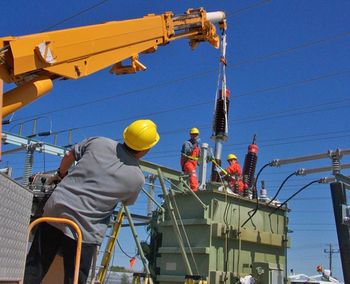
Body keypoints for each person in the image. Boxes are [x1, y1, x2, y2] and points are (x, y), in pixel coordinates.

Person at [24, 119, 160, 284]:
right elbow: (127, 202)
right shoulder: (137, 178)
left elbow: (69, 155)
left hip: (54, 211)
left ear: (126, 134)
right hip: (84, 230)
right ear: (146, 149)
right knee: (74, 279)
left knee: (34, 268)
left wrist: (60, 174)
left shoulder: (99, 142)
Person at [180, 127, 200, 191]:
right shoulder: (187, 143)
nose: (195, 136)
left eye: (196, 134)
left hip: (193, 164)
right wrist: (194, 146)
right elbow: (187, 152)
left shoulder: (197, 145)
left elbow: (198, 155)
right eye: (193, 134)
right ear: (190, 135)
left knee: (189, 178)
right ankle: (194, 189)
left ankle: (186, 188)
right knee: (193, 175)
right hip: (187, 163)